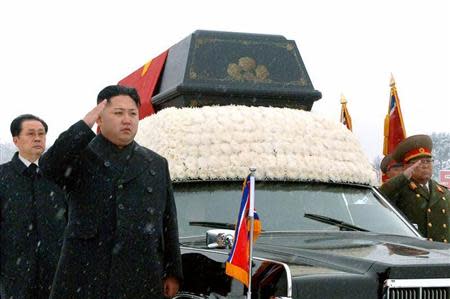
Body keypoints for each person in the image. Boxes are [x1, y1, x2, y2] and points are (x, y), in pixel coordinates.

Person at [41, 85, 182, 298]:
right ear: (99, 118)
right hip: (87, 274)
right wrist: (83, 124)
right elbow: (49, 166)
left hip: (141, 274)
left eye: (133, 113)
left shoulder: (156, 163)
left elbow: (168, 220)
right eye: (118, 113)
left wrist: (172, 272)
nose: (127, 119)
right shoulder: (80, 156)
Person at [0, 114, 66, 299]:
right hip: (14, 278)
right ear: (16, 140)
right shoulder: (2, 177)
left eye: (41, 133)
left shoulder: (58, 176)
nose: (37, 138)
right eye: (31, 133)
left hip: (57, 276)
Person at [380, 134, 450, 243]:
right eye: (419, 162)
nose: (425, 165)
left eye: (428, 161)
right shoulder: (399, 188)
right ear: (406, 167)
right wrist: (403, 177)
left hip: (441, 254)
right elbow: (380, 197)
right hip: (411, 254)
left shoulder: (443, 192)